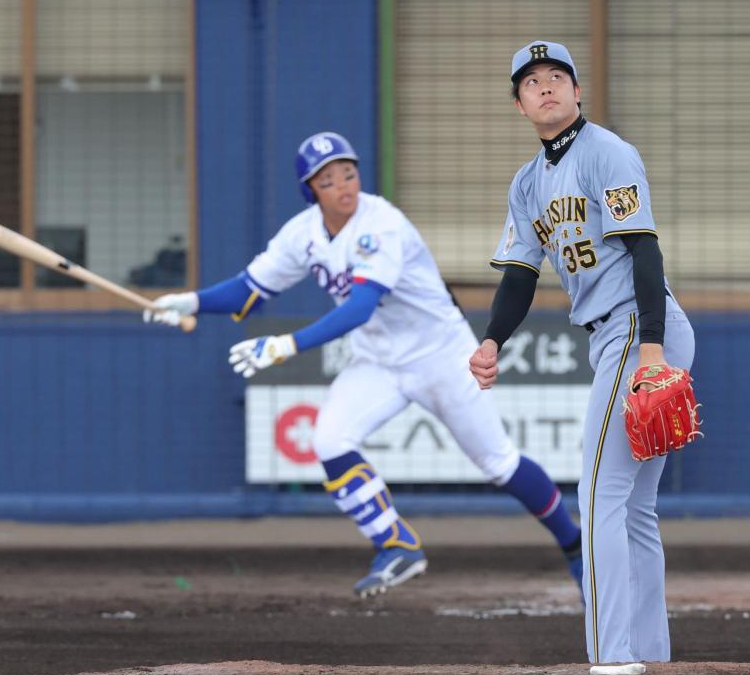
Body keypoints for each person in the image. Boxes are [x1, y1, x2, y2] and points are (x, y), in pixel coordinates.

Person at [145, 131, 583, 599]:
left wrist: (286, 345)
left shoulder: (382, 223)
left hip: (439, 353)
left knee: (498, 463)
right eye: (328, 179)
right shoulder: (302, 233)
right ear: (310, 190)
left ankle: (575, 546)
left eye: (348, 173)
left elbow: (359, 307)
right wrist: (190, 302)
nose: (342, 185)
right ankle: (396, 544)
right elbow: (248, 289)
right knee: (329, 440)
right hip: (377, 360)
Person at [468, 42, 696, 675]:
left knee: (598, 493)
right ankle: (651, 660)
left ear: (576, 90)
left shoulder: (606, 153)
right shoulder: (527, 183)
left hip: (638, 327)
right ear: (519, 104)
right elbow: (520, 275)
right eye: (531, 81)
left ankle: (612, 658)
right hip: (614, 335)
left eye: (556, 76)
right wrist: (492, 340)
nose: (545, 86)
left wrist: (651, 349)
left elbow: (644, 249)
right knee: (635, 508)